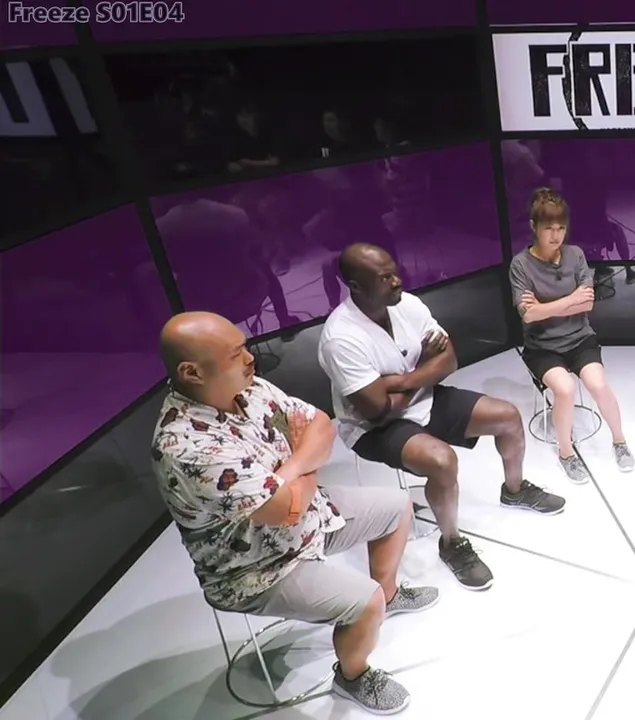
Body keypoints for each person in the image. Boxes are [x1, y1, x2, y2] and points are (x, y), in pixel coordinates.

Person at [151, 312, 433, 715]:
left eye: (244, 347)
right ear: (192, 372)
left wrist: (293, 470)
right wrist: (307, 463)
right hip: (256, 567)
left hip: (310, 518)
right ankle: (353, 674)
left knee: (397, 507)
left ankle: (390, 594)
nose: (250, 358)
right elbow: (284, 510)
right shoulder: (187, 447)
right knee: (365, 601)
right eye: (235, 354)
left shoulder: (248, 388)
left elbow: (321, 425)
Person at [317, 243, 566, 592]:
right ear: (356, 286)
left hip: (423, 399)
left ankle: (515, 490)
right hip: (373, 428)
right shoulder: (340, 338)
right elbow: (377, 409)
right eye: (385, 277)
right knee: (442, 460)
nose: (397, 281)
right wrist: (422, 368)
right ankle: (452, 543)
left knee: (508, 417)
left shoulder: (408, 305)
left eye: (394, 272)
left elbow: (449, 359)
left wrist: (400, 381)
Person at [510, 188, 635, 481]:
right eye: (549, 228)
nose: (556, 235)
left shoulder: (575, 255)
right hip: (542, 347)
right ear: (534, 227)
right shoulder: (521, 265)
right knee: (565, 389)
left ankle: (619, 441)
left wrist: (544, 306)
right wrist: (569, 300)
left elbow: (588, 303)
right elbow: (528, 315)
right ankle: (566, 453)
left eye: (561, 228)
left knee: (598, 384)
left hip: (580, 338)